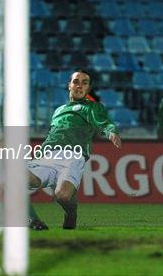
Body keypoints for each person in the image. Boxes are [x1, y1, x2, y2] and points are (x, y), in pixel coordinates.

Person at [28, 70, 121, 230]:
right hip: (47, 157)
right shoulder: (58, 110)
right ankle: (34, 222)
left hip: (72, 156)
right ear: (69, 85)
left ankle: (71, 212)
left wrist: (111, 132)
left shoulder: (91, 107)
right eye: (76, 81)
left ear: (88, 89)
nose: (79, 85)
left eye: (84, 83)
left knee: (63, 196)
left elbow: (104, 122)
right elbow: (53, 134)